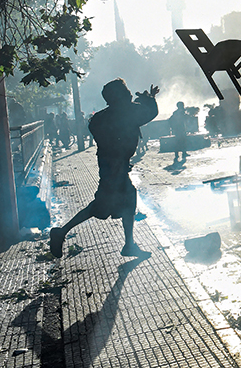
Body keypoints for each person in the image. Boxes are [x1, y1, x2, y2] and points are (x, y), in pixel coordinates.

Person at [49, 79, 159, 259]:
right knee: (101, 206)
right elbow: (149, 113)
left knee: (125, 200)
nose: (130, 94)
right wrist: (150, 98)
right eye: (126, 91)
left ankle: (129, 245)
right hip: (116, 168)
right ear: (122, 95)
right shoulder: (126, 112)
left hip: (109, 165)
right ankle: (61, 232)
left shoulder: (100, 118)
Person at [168, 101, 190, 166]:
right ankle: (179, 154)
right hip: (179, 129)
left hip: (179, 129)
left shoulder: (178, 112)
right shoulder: (178, 113)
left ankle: (181, 153)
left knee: (182, 141)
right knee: (180, 142)